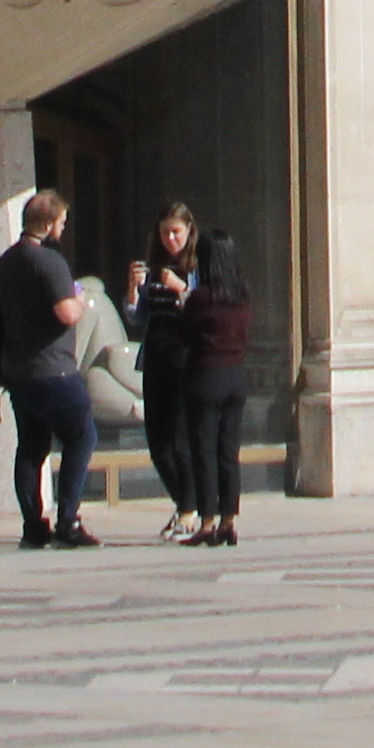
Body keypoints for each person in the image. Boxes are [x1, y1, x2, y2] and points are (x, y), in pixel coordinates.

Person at [125, 204, 258, 549]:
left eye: (177, 233)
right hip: (170, 360)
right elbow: (139, 317)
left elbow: (195, 318)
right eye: (164, 233)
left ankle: (198, 514)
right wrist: (134, 290)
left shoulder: (204, 282)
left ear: (190, 233)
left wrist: (179, 288)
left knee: (196, 445)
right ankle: (211, 513)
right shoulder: (235, 292)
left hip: (196, 366)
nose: (170, 239)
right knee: (173, 445)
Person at [0, 186, 98, 550]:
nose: (63, 228)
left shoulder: (6, 262)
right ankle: (68, 520)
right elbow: (65, 312)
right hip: (55, 371)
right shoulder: (50, 261)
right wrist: (80, 301)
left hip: (19, 373)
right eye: (61, 221)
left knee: (31, 447)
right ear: (48, 222)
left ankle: (33, 524)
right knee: (82, 435)